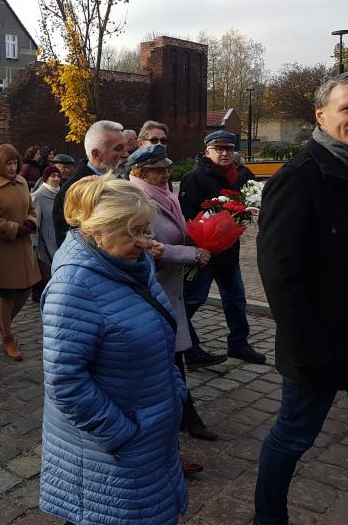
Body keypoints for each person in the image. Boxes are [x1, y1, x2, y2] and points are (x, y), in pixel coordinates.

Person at [254, 72, 348, 524]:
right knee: (292, 438)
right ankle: (268, 518)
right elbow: (279, 274)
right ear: (322, 115)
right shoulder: (299, 178)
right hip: (319, 348)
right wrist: (308, 352)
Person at [39, 175, 187, 525]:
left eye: (146, 230)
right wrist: (122, 433)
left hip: (149, 432)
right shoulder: (74, 288)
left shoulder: (133, 263)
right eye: (133, 232)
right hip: (113, 452)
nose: (145, 242)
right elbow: (65, 381)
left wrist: (174, 394)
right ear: (98, 230)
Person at [127, 145, 217, 467]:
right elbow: (151, 246)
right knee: (169, 365)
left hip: (171, 290)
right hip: (155, 293)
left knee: (174, 362)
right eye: (158, 170)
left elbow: (177, 232)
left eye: (166, 168)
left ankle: (185, 419)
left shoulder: (164, 194)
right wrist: (191, 255)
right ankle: (181, 425)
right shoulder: (137, 200)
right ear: (139, 172)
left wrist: (204, 240)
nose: (166, 174)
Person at [178, 130, 265, 367]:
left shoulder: (242, 174)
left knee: (236, 299)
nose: (225, 153)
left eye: (229, 149)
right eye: (219, 149)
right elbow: (187, 216)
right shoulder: (194, 177)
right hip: (203, 253)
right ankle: (186, 347)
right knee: (193, 300)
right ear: (207, 151)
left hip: (229, 251)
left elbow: (254, 197)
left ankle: (238, 343)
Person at [0, 144, 40, 360]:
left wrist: (30, 223)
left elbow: (32, 209)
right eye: (8, 163)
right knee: (6, 294)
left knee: (26, 289)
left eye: (15, 163)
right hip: (1, 248)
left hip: (22, 246)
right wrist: (14, 228)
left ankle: (3, 323)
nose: (12, 168)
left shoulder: (22, 182)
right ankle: (7, 337)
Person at [53, 120, 130, 247]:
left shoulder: (120, 181)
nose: (126, 154)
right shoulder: (71, 192)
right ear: (97, 154)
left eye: (125, 147)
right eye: (118, 148)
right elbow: (70, 246)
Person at [30, 166, 61, 303]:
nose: (56, 179)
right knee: (46, 272)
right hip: (45, 242)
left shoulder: (61, 194)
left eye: (58, 176)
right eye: (53, 176)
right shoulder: (38, 195)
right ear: (46, 178)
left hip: (59, 239)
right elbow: (34, 224)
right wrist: (34, 245)